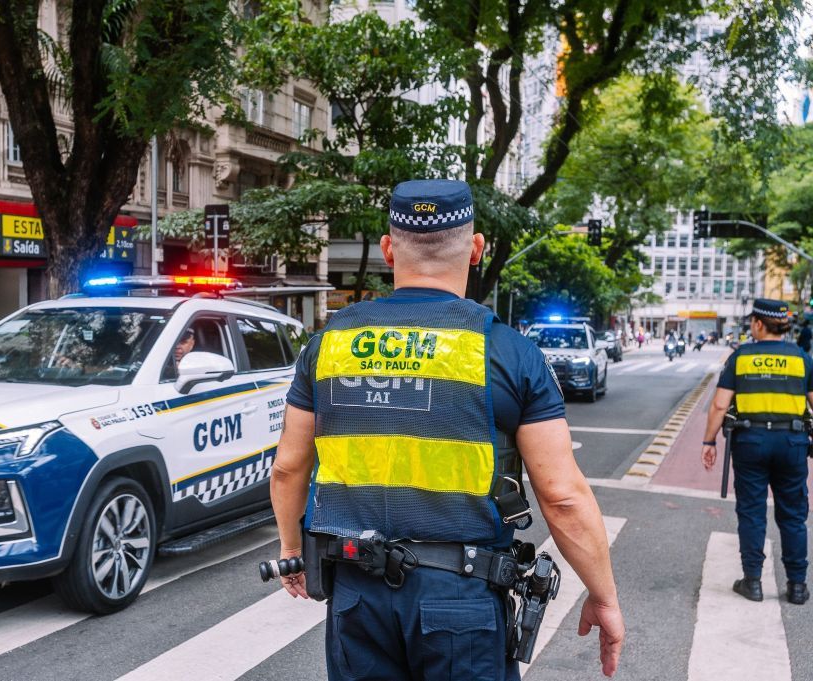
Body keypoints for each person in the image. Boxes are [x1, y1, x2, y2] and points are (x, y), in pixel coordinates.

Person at [270, 179, 624, 680]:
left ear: (390, 250)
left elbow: (288, 467)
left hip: (357, 598)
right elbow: (562, 496)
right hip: (462, 599)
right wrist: (603, 595)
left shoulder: (328, 342)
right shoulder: (508, 352)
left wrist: (291, 551)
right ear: (476, 249)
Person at [701, 298, 811, 606]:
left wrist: (708, 442)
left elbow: (720, 405)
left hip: (751, 443)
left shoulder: (742, 357)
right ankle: (797, 586)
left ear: (760, 324)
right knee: (792, 515)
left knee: (751, 512)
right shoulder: (801, 358)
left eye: (752, 322)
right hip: (792, 443)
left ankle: (752, 582)